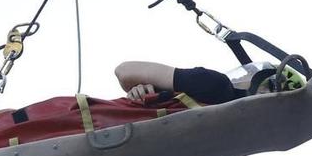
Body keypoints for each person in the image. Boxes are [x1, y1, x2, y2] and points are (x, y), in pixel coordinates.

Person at [114, 58, 280, 107]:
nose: (242, 75)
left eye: (251, 73)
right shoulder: (242, 133)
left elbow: (124, 71)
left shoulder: (216, 85)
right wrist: (150, 91)